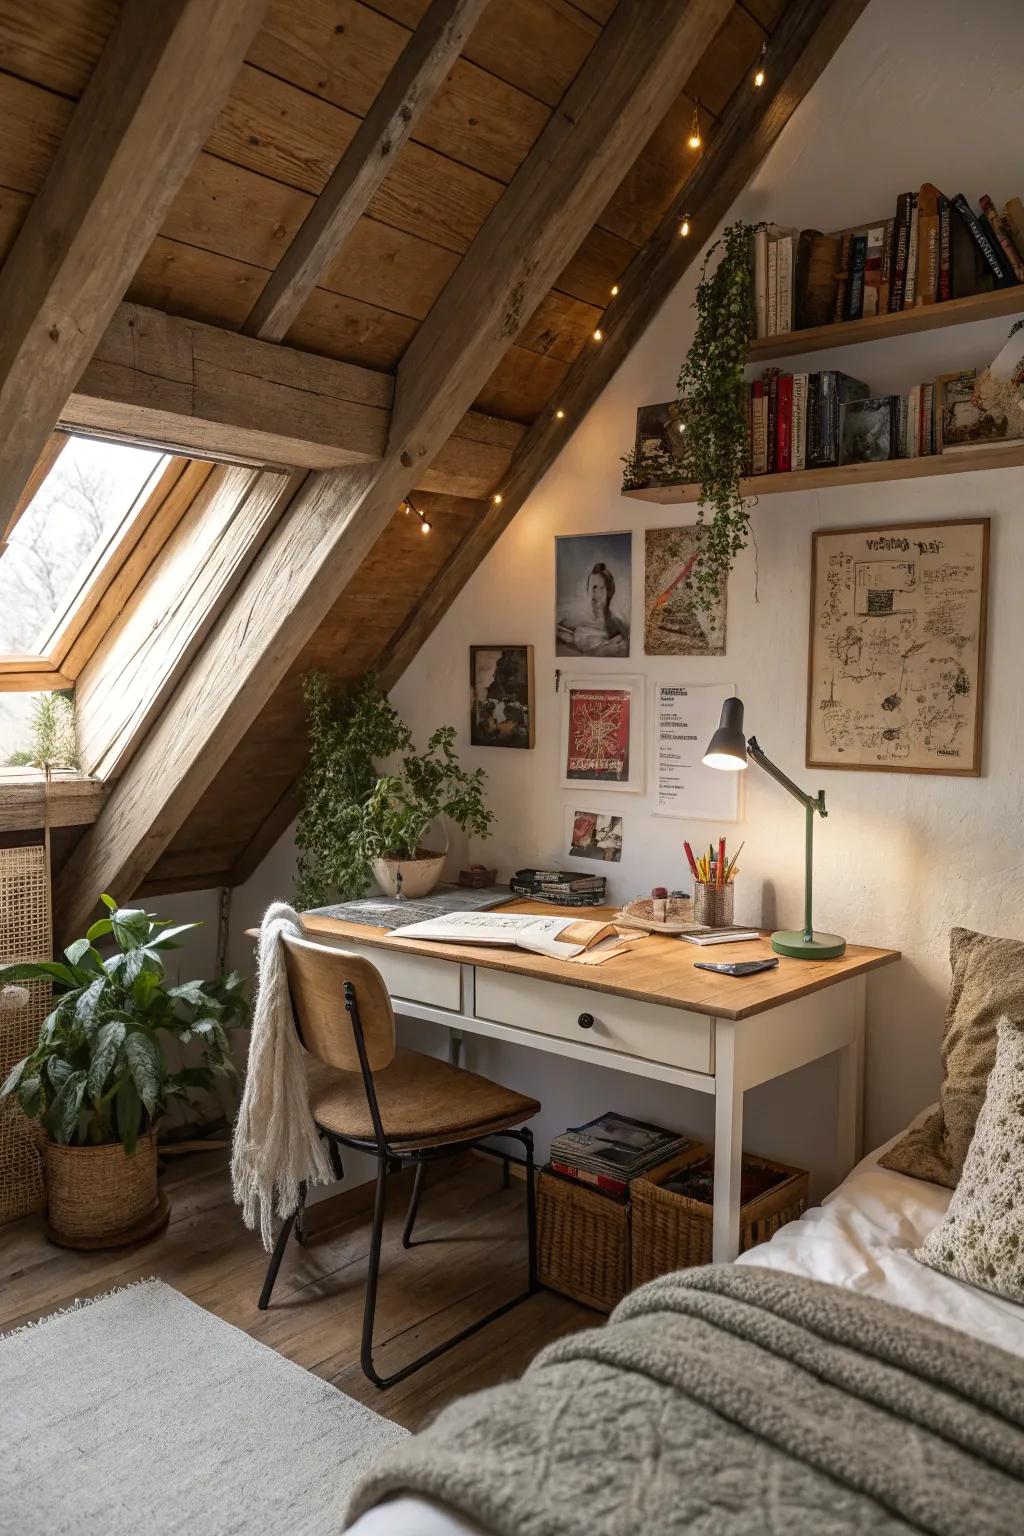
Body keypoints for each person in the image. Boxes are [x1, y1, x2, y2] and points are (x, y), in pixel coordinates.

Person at [557, 561, 629, 656]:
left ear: (609, 591)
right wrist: (602, 651)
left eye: (597, 587)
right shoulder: (581, 629)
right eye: (590, 587)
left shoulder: (620, 626)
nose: (592, 593)